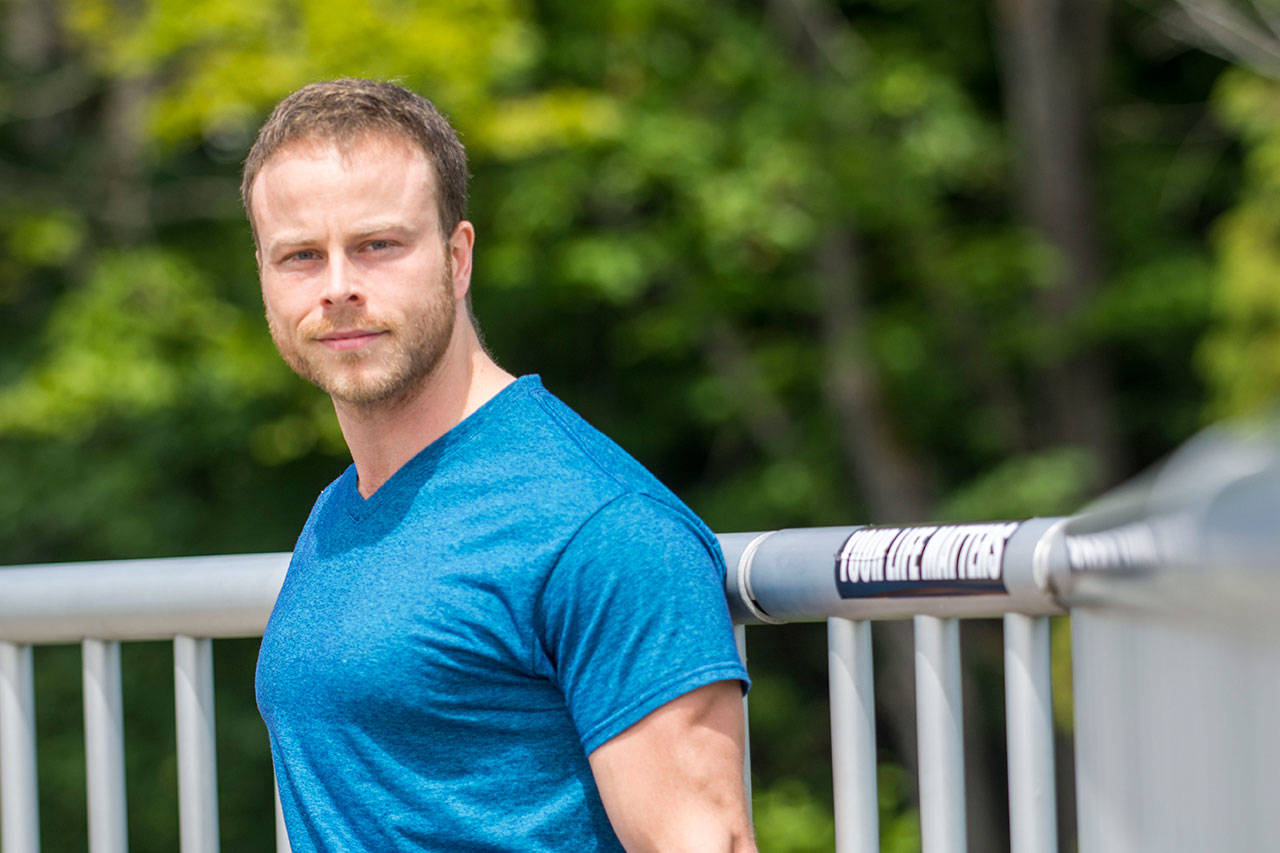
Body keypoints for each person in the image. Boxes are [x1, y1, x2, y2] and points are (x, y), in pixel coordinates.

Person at [245, 78, 755, 851]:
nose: (338, 286)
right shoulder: (339, 512)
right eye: (300, 256)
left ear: (457, 257)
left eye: (378, 245)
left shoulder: (597, 526)